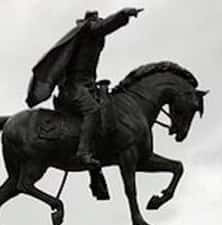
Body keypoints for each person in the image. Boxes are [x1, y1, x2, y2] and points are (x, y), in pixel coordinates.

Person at [26, 8, 143, 168]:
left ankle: (96, 171)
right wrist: (123, 14)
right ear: (91, 21)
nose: (100, 21)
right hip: (73, 88)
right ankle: (83, 153)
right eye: (98, 19)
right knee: (93, 110)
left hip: (87, 86)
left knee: (106, 114)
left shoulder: (89, 35)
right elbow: (104, 26)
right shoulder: (88, 29)